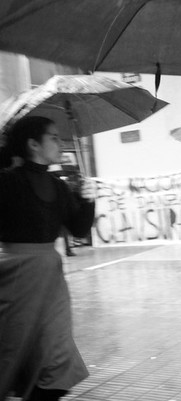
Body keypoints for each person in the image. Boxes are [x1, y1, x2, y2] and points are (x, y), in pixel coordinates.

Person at [0, 116, 96, 401]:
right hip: (15, 276)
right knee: (12, 350)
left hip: (51, 279)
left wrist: (89, 201)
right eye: (53, 137)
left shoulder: (58, 185)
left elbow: (78, 228)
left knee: (57, 352)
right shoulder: (7, 181)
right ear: (33, 144)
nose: (59, 143)